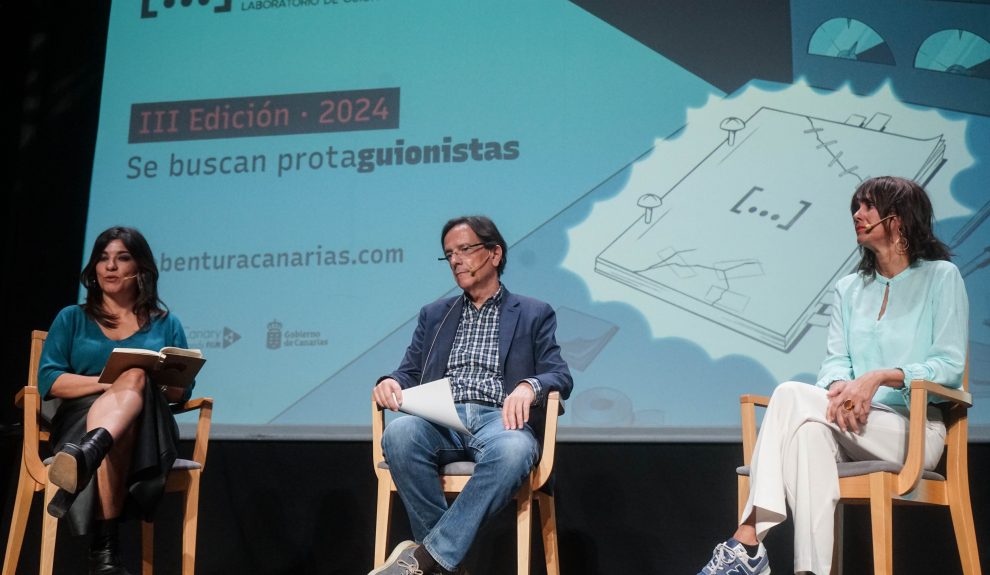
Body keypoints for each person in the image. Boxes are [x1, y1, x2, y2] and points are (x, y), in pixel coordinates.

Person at [696, 176, 969, 575]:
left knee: (789, 394)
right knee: (807, 435)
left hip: (914, 432)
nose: (857, 216)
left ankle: (748, 539)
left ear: (899, 218)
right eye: (855, 208)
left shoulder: (941, 277)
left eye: (867, 207)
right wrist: (841, 387)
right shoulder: (849, 288)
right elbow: (835, 362)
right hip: (852, 422)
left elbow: (948, 364)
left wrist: (878, 378)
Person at [370, 215, 573, 575]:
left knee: (516, 450)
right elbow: (409, 372)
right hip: (441, 418)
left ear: (494, 253)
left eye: (464, 250)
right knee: (399, 433)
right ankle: (444, 563)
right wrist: (389, 381)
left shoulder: (532, 312)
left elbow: (559, 374)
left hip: (499, 419)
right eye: (449, 254)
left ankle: (426, 560)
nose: (456, 260)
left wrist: (529, 386)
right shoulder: (435, 314)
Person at [38, 226, 194, 575]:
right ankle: (105, 557)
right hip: (80, 419)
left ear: (140, 268)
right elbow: (50, 379)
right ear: (94, 269)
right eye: (103, 259)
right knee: (129, 384)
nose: (110, 266)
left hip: (148, 424)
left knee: (137, 377)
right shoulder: (72, 318)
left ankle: (88, 458)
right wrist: (111, 383)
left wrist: (161, 384)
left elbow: (179, 392)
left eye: (122, 258)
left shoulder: (166, 324)